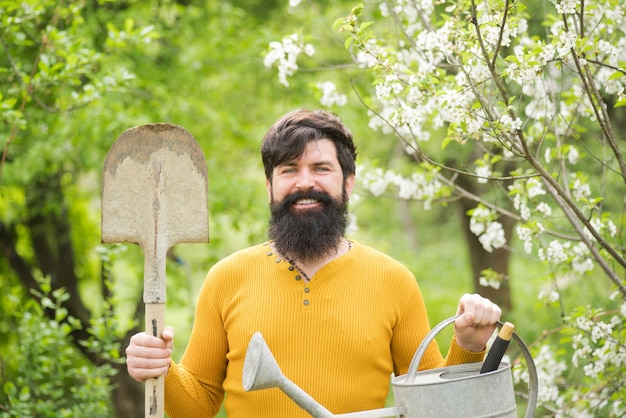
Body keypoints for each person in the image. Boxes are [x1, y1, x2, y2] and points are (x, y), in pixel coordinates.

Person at [126, 109, 502, 417]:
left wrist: (467, 346)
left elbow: (435, 409)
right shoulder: (227, 278)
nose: (304, 182)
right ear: (269, 186)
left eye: (321, 168)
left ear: (348, 183)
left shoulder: (393, 281)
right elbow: (197, 407)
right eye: (289, 169)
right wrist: (162, 371)